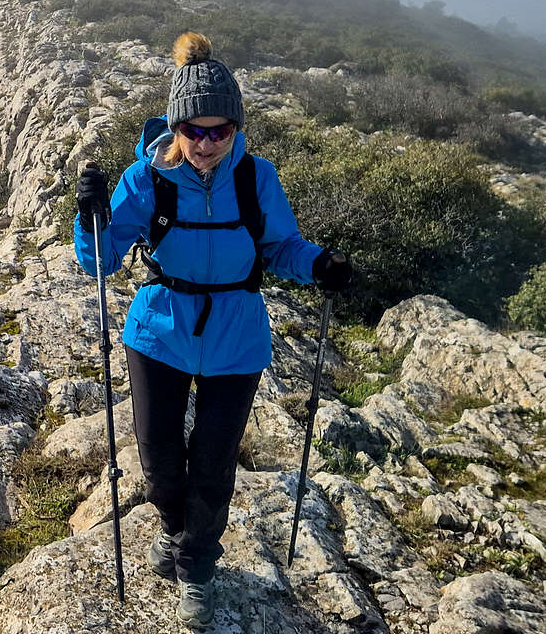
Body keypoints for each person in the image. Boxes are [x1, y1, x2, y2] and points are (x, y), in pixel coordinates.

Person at [74, 31, 352, 629]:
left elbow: (280, 247)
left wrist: (319, 264)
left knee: (214, 462)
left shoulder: (256, 178)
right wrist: (89, 217)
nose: (206, 144)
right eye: (194, 130)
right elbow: (99, 259)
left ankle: (196, 566)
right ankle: (178, 533)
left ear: (236, 128)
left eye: (219, 131)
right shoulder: (145, 180)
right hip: (158, 331)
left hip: (236, 335)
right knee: (161, 465)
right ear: (175, 126)